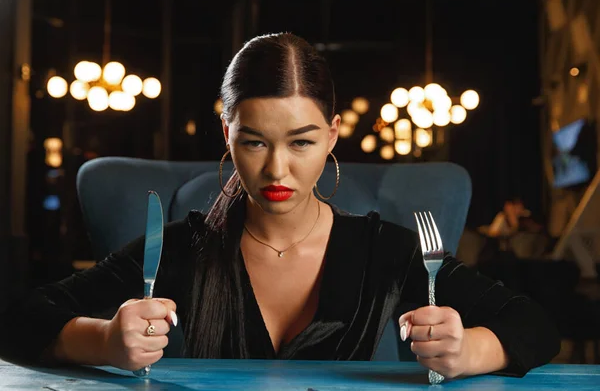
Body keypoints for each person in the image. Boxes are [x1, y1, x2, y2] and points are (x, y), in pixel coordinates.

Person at [0, 33, 559, 380]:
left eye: (301, 142)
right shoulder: (177, 247)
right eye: (254, 141)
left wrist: (468, 351)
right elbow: (19, 321)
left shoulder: (385, 249)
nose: (276, 170)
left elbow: (534, 324)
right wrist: (103, 340)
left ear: (334, 134)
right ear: (227, 132)